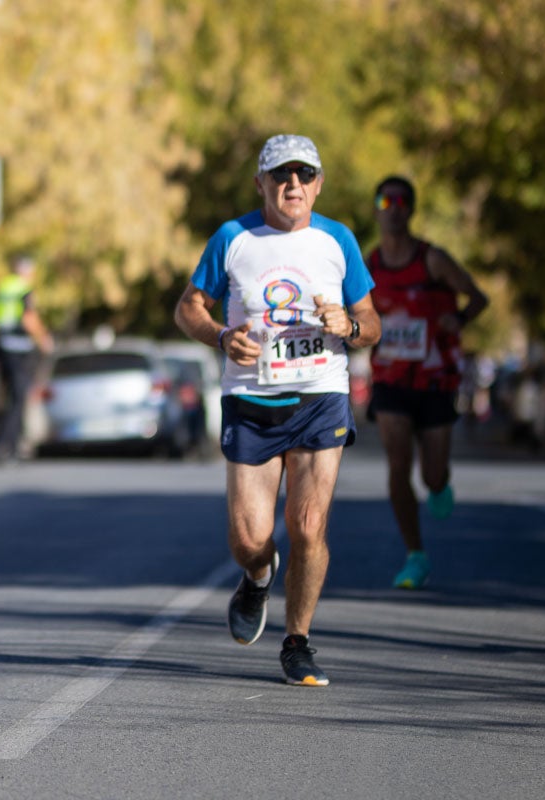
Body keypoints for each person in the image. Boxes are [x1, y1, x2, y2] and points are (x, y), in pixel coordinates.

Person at [174, 134, 380, 686]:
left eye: (304, 175)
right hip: (252, 400)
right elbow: (188, 307)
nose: (294, 184)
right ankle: (258, 576)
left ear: (319, 184)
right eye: (281, 175)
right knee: (248, 539)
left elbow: (371, 322)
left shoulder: (338, 239)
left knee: (308, 525)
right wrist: (222, 337)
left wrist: (349, 325)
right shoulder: (233, 238)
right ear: (260, 183)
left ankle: (298, 643)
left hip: (320, 395)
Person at [365, 176, 488, 590]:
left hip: (436, 379)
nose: (393, 208)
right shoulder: (369, 266)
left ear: (411, 209)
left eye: (401, 201)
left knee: (432, 475)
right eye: (386, 201)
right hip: (391, 378)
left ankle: (439, 484)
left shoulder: (432, 260)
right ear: (376, 208)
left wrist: (459, 318)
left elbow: (478, 297)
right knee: (398, 463)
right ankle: (415, 554)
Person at [0, 254, 52, 460]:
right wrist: (43, 339)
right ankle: (8, 447)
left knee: (5, 397)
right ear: (26, 270)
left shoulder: (5, 285)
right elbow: (28, 318)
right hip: (19, 348)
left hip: (3, 346)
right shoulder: (23, 288)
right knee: (18, 398)